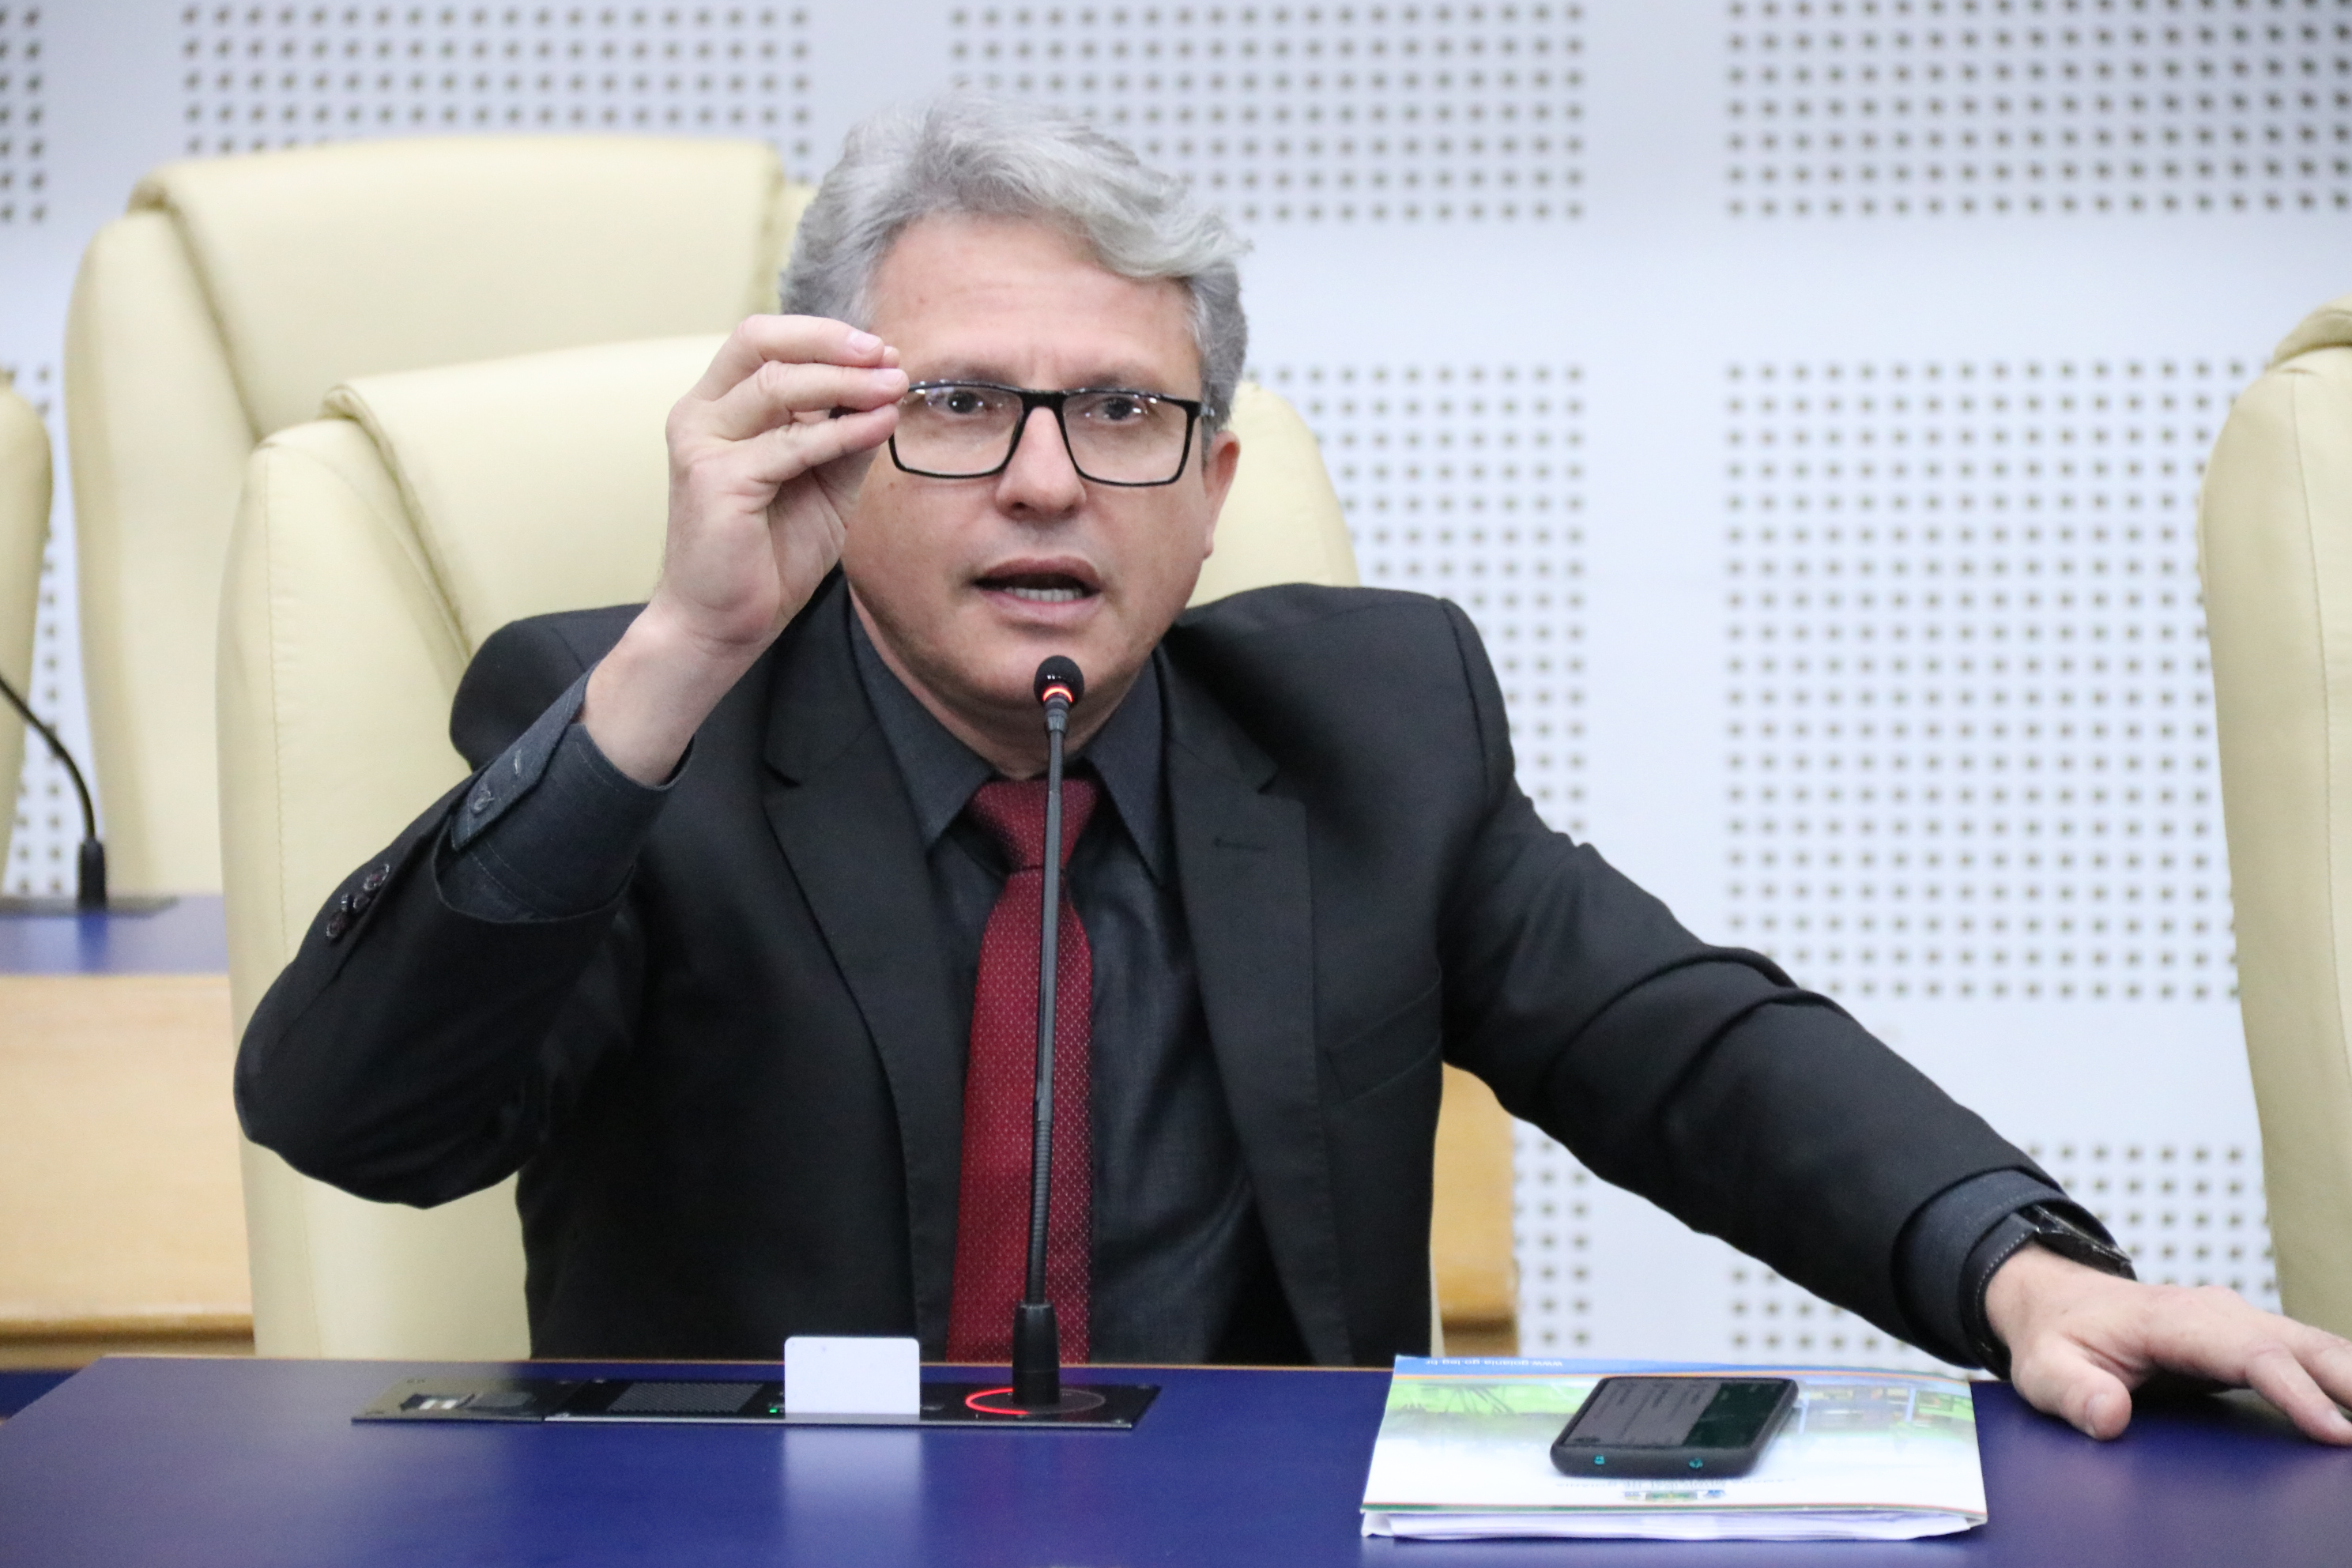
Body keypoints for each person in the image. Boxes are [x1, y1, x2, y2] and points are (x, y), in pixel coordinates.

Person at [236, 93, 2352, 1443]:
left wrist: (2021, 1266)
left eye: (1121, 414)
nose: (1046, 481)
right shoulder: (635, 724)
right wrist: (681, 651)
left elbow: (1686, 1045)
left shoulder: (1365, 729)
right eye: (958, 405)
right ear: (830, 450)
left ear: (1213, 486)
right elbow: (357, 1120)